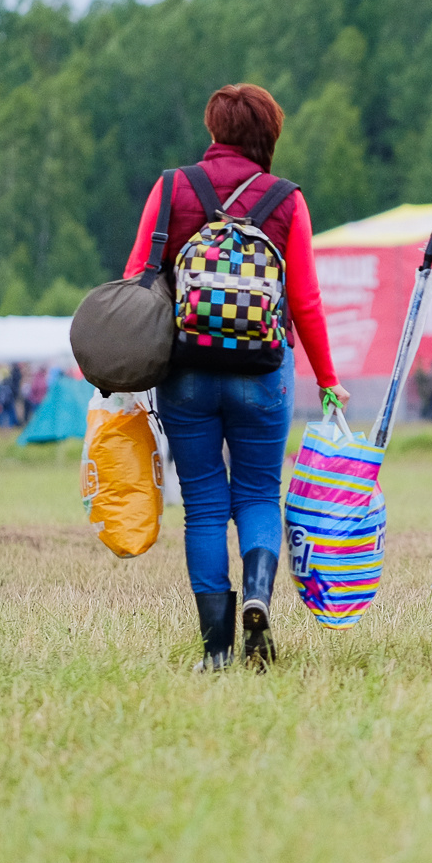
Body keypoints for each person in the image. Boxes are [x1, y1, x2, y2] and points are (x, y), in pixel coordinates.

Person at [121, 83, 348, 672]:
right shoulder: (286, 200)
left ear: (214, 130)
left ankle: (217, 650)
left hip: (186, 374)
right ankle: (257, 597)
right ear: (269, 135)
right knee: (255, 494)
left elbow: (135, 279)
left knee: (202, 505)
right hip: (262, 372)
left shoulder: (173, 188)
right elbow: (306, 301)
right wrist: (328, 378)